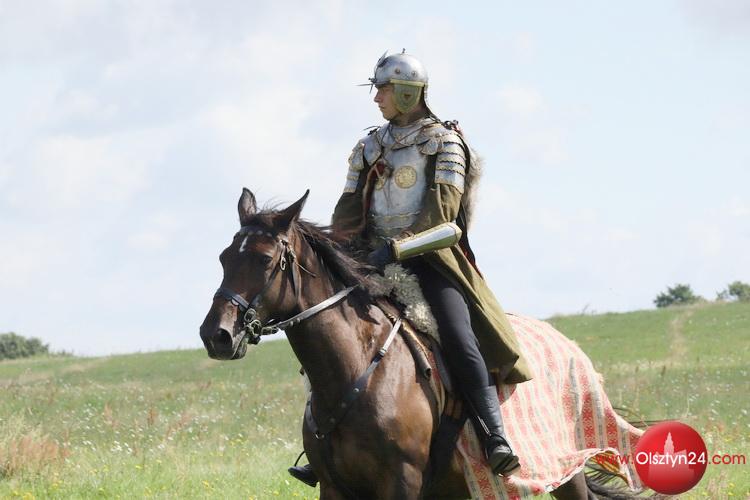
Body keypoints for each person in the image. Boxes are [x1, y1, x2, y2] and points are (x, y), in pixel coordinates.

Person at [289, 50, 532, 486]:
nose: (376, 98)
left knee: (459, 337)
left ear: (406, 92)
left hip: (433, 261)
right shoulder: (368, 146)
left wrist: (396, 249)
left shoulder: (444, 142)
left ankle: (494, 436)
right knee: (328, 334)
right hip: (368, 262)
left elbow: (445, 221)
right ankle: (323, 447)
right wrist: (341, 253)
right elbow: (347, 211)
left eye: (382, 90)